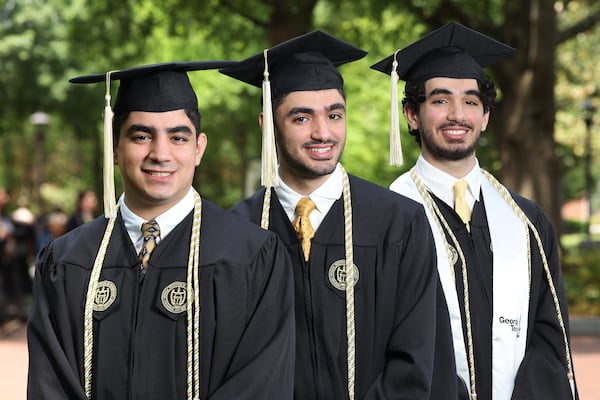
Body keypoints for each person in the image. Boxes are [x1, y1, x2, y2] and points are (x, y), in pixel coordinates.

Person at [27, 62, 296, 400]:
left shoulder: (253, 256)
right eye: (142, 136)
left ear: (198, 148)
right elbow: (49, 385)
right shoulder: (67, 261)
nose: (160, 154)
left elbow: (262, 384)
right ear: (114, 146)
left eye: (178, 137)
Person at [220, 31, 458, 399]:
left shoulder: (398, 223)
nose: (323, 133)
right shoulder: (235, 233)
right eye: (301, 118)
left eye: (334, 115)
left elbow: (418, 358)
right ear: (268, 125)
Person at [371, 21, 579, 400]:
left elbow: (550, 337)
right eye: (439, 100)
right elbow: (377, 345)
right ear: (411, 114)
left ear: (485, 117)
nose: (457, 114)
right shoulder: (384, 220)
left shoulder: (526, 221)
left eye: (471, 101)